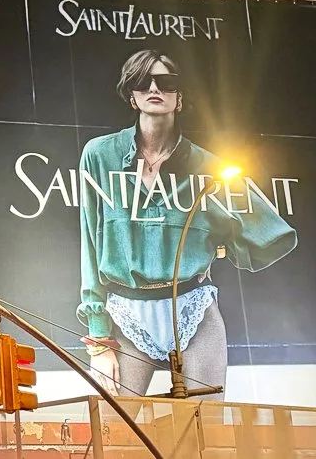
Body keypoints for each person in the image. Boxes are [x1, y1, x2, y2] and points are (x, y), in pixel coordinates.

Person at [77, 49, 297, 397]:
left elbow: (269, 234)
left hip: (193, 306)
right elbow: (90, 243)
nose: (154, 88)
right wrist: (99, 340)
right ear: (132, 94)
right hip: (125, 312)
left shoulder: (209, 167)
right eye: (143, 81)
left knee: (208, 422)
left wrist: (222, 246)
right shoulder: (99, 155)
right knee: (116, 424)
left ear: (179, 97)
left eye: (166, 82)